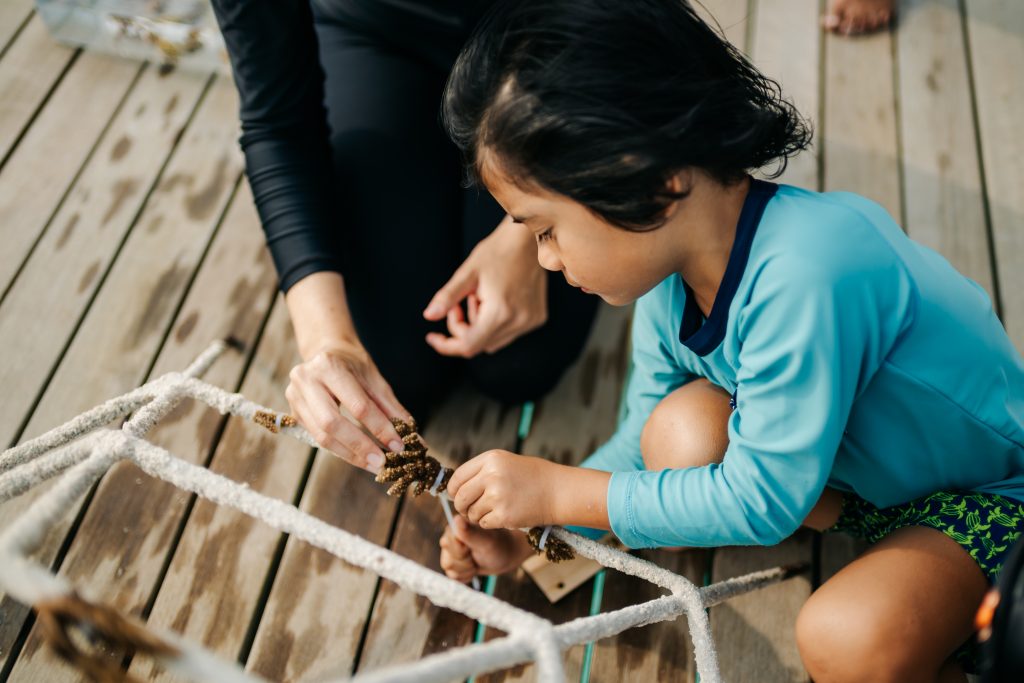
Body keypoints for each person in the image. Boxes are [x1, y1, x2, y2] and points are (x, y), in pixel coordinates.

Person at [433, 1, 1024, 680]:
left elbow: (764, 501)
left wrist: (557, 491)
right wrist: (537, 536)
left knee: (846, 640)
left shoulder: (808, 272)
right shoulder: (671, 275)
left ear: (653, 182)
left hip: (990, 495)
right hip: (859, 485)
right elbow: (635, 446)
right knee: (675, 432)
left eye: (545, 229)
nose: (543, 259)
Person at [208, 0, 600, 473]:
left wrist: (528, 235)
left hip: (546, 40)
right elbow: (276, 122)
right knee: (389, 375)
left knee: (517, 363)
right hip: (373, 32)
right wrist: (327, 341)